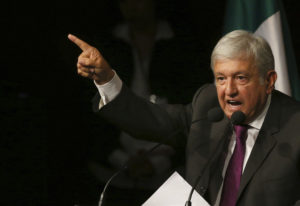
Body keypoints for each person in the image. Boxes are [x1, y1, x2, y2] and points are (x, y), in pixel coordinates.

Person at [68, 30, 300, 206]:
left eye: (240, 78)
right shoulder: (208, 105)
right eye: (221, 78)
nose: (228, 90)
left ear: (269, 81)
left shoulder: (295, 129)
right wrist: (107, 79)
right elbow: (152, 120)